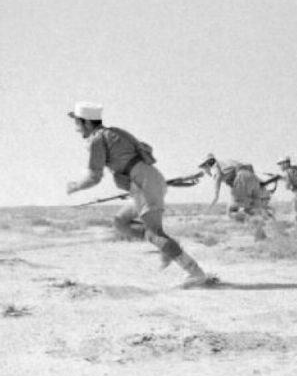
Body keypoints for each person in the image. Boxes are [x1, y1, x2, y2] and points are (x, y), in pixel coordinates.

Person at [65, 102, 210, 289]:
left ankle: (194, 272)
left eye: (77, 123)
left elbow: (95, 176)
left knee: (155, 233)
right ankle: (165, 245)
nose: (76, 128)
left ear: (86, 122)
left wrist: (75, 186)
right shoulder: (115, 132)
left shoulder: (97, 139)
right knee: (121, 222)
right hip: (146, 182)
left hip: (143, 185)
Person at [198, 154, 265, 221]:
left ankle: (254, 220)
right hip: (252, 178)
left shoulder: (215, 169)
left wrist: (209, 207)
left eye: (203, 168)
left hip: (242, 179)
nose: (204, 171)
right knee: (250, 208)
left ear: (207, 165)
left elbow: (216, 194)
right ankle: (261, 219)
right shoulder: (226, 162)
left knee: (231, 211)